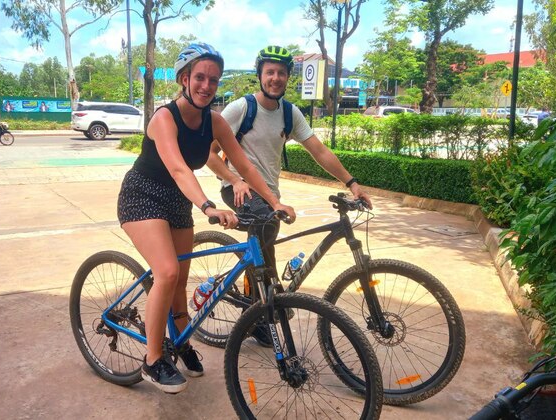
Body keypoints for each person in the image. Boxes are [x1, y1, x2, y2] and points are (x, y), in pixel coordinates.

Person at [116, 42, 296, 394]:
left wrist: (273, 200)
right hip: (143, 196)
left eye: (213, 80)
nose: (206, 85)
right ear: (184, 78)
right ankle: (153, 360)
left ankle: (179, 342)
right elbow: (180, 169)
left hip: (177, 202)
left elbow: (243, 165)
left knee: (179, 279)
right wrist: (209, 206)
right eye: (200, 77)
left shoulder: (213, 121)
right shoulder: (164, 117)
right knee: (166, 271)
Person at [206, 46, 373, 345]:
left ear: (287, 78)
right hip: (238, 189)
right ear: (260, 75)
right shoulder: (241, 109)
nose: (275, 78)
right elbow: (209, 154)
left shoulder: (288, 113)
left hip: (269, 193)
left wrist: (352, 182)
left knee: (267, 231)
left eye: (281, 73)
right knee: (266, 223)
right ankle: (266, 306)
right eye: (270, 72)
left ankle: (261, 305)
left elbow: (319, 150)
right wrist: (233, 178)